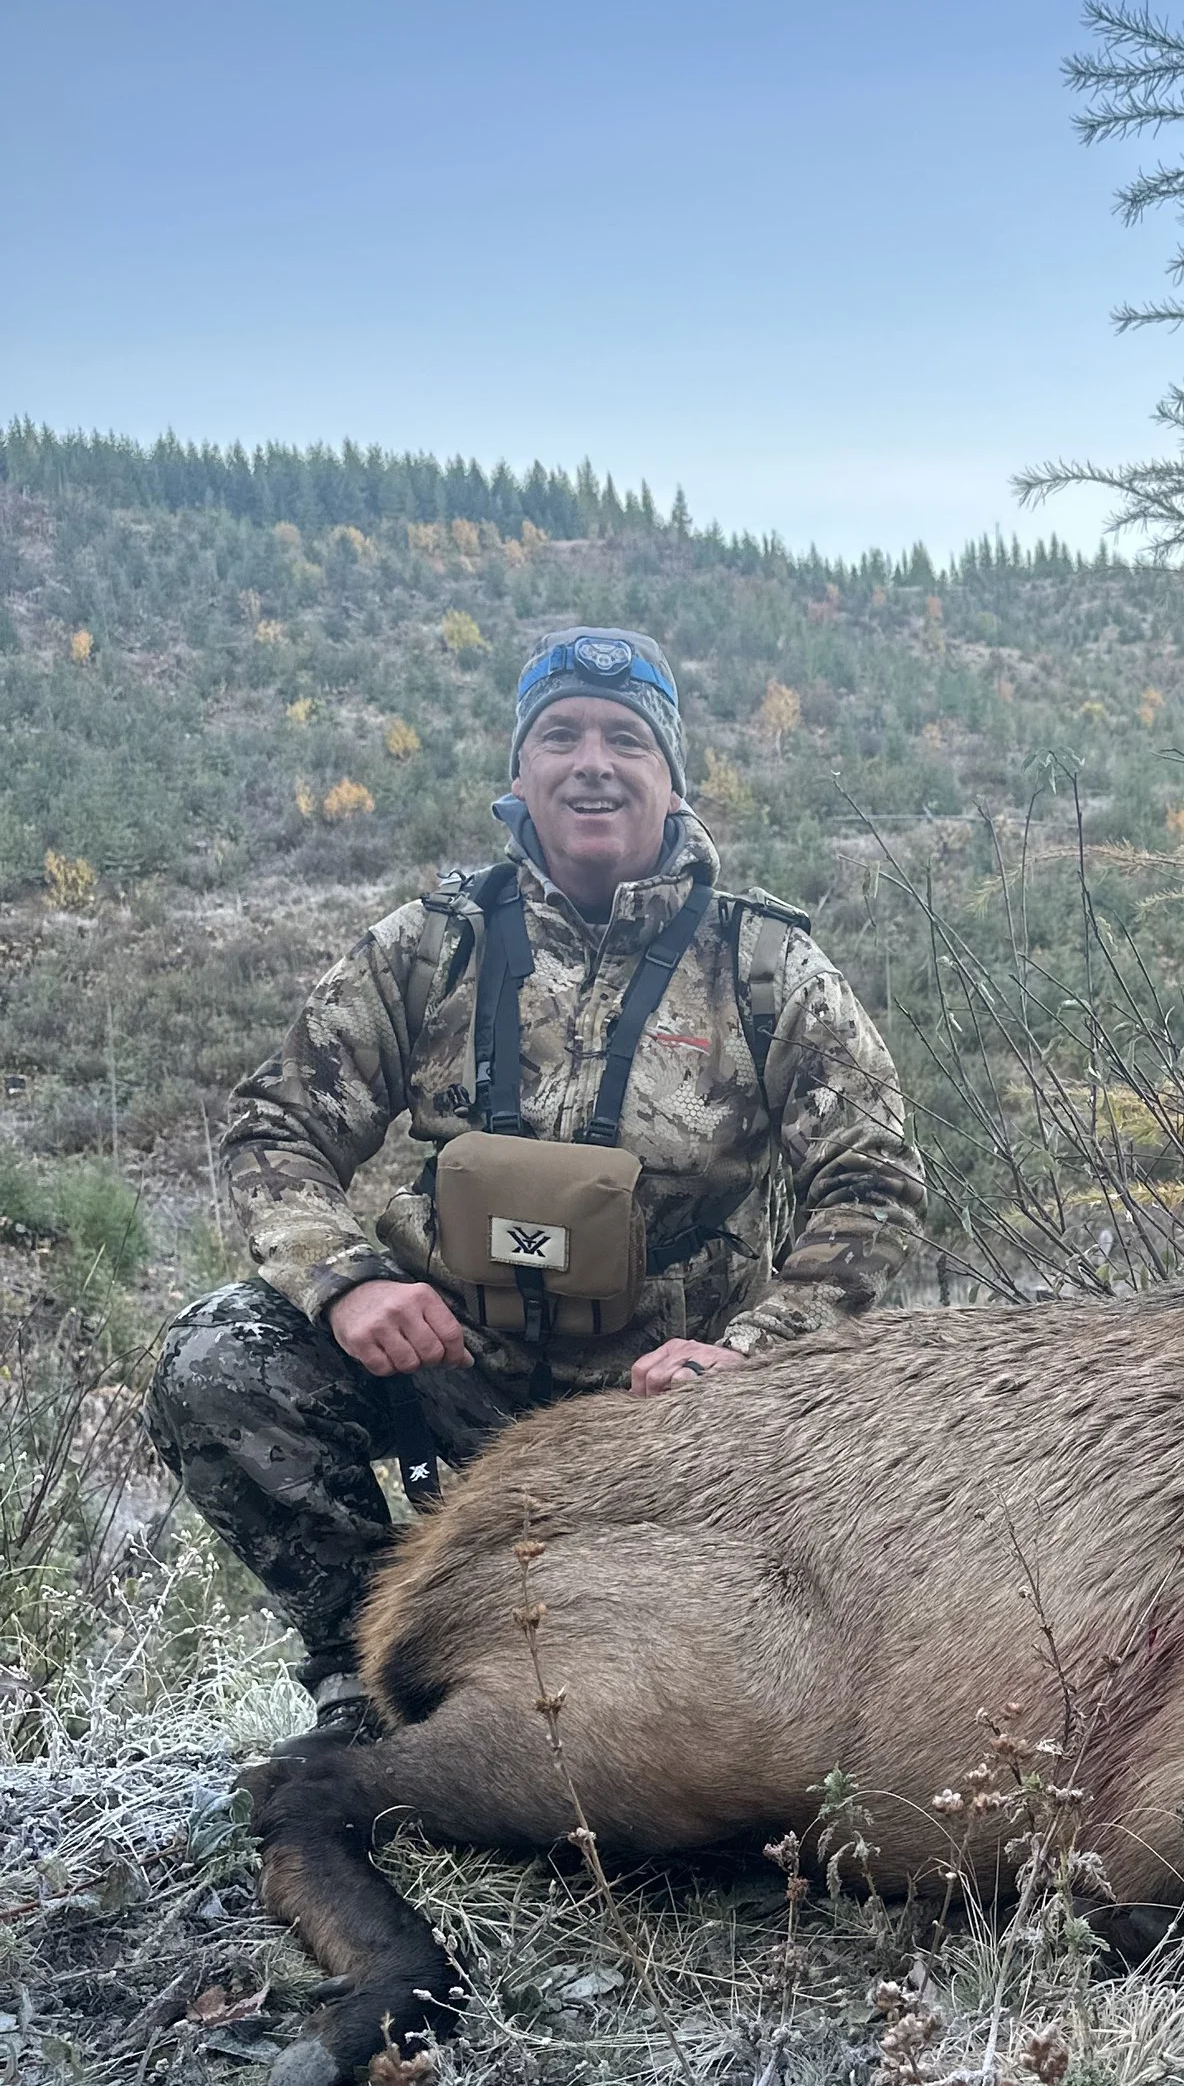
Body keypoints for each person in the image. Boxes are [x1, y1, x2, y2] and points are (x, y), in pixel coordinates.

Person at [150, 626, 925, 1738]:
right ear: (520, 773)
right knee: (215, 1359)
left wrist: (751, 1354)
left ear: (670, 775)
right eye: (559, 736)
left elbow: (874, 1183)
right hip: (450, 1369)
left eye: (625, 739)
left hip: (666, 1409)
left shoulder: (766, 965)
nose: (591, 762)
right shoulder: (428, 944)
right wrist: (350, 1281)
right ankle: (366, 1679)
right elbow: (275, 1126)